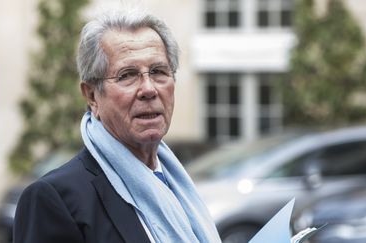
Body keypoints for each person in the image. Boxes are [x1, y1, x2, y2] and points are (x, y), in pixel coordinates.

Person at [13, 9, 221, 243]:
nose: (149, 89)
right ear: (92, 95)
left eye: (158, 72)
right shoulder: (55, 199)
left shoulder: (179, 186)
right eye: (127, 75)